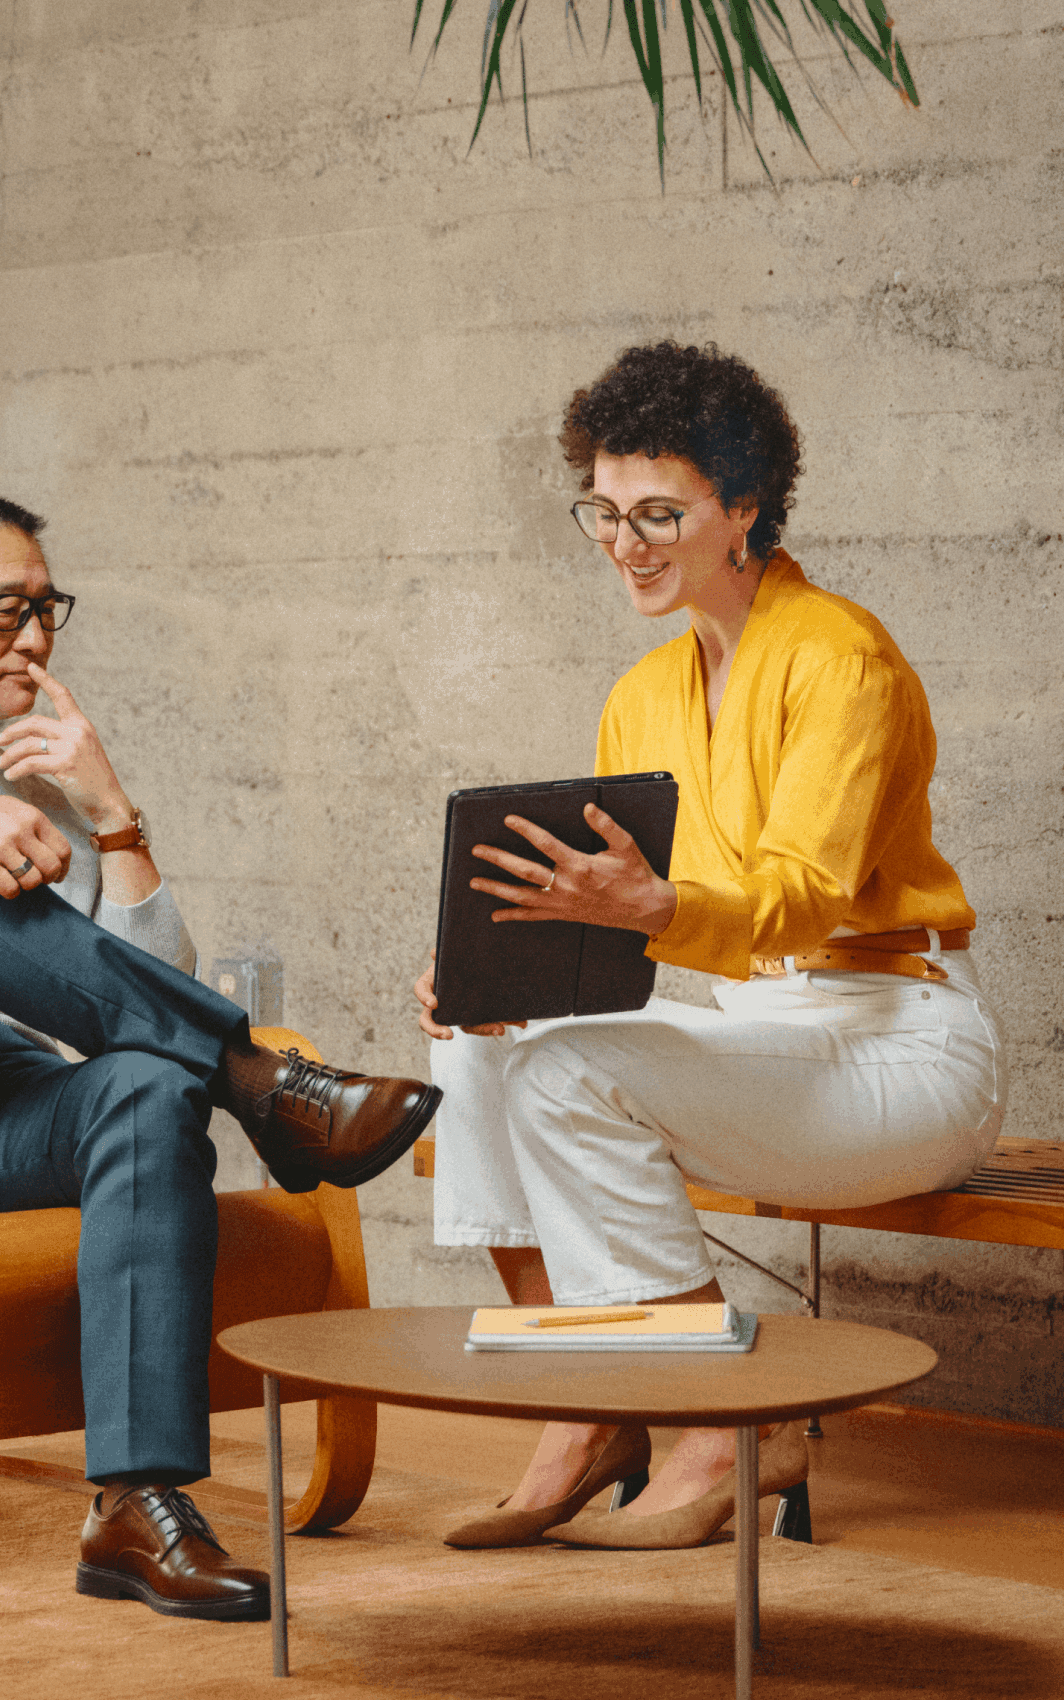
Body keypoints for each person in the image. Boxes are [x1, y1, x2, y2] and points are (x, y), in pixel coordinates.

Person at [0, 486, 441, 1619]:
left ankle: (135, 1503)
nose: (37, 639)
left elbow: (139, 997)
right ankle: (264, 1086)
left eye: (48, 610)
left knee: (149, 1082)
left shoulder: (30, 781)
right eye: (6, 609)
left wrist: (110, 813)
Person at [413, 342, 1006, 1552]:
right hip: (762, 1033)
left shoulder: (839, 656)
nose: (624, 542)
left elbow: (799, 897)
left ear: (744, 506)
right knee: (480, 1047)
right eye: (604, 511)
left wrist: (649, 908)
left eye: (659, 514)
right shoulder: (641, 694)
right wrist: (505, 976)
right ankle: (590, 1403)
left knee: (570, 1072)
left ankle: (731, 1422)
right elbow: (629, 927)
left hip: (900, 1041)